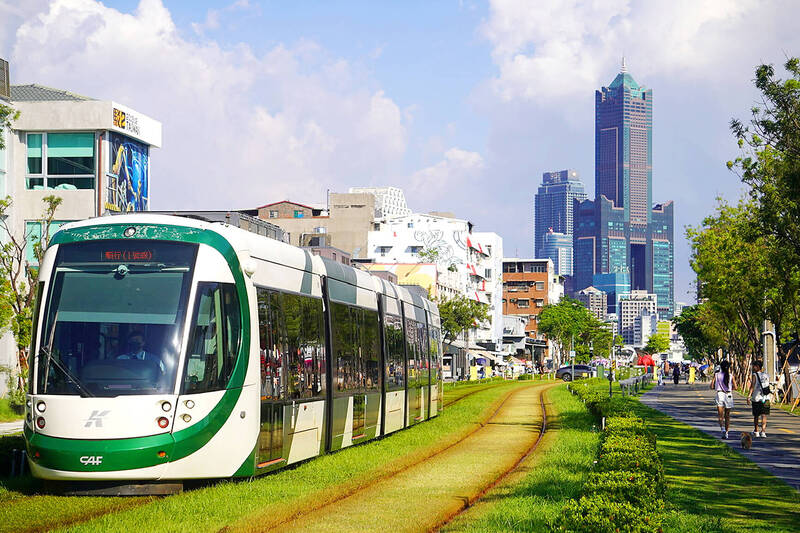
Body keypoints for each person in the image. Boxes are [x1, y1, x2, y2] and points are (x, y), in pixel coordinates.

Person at [710, 360, 736, 439]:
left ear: (720, 367)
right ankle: (727, 432)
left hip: (720, 394)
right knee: (727, 415)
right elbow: (736, 387)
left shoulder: (717, 375)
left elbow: (711, 386)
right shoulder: (731, 376)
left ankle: (723, 429)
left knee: (720, 415)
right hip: (728, 395)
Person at [747, 360, 771, 438]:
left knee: (756, 415)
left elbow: (752, 386)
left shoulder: (755, 375)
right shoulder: (766, 375)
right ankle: (763, 432)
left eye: (754, 366)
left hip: (757, 398)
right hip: (766, 398)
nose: (753, 367)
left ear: (757, 367)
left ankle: (756, 431)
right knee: (764, 415)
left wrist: (749, 396)